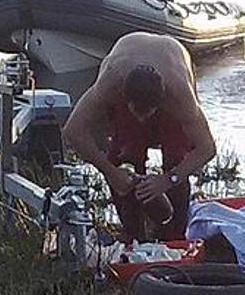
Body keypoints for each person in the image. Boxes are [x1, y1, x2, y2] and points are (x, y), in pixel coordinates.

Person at [62, 32, 217, 242]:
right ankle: (134, 235)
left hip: (173, 59)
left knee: (177, 157)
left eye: (148, 114)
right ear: (124, 99)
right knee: (125, 156)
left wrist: (168, 179)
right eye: (137, 113)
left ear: (161, 103)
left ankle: (175, 236)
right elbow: (73, 130)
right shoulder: (110, 82)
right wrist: (110, 172)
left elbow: (207, 148)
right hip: (126, 59)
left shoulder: (180, 96)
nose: (142, 120)